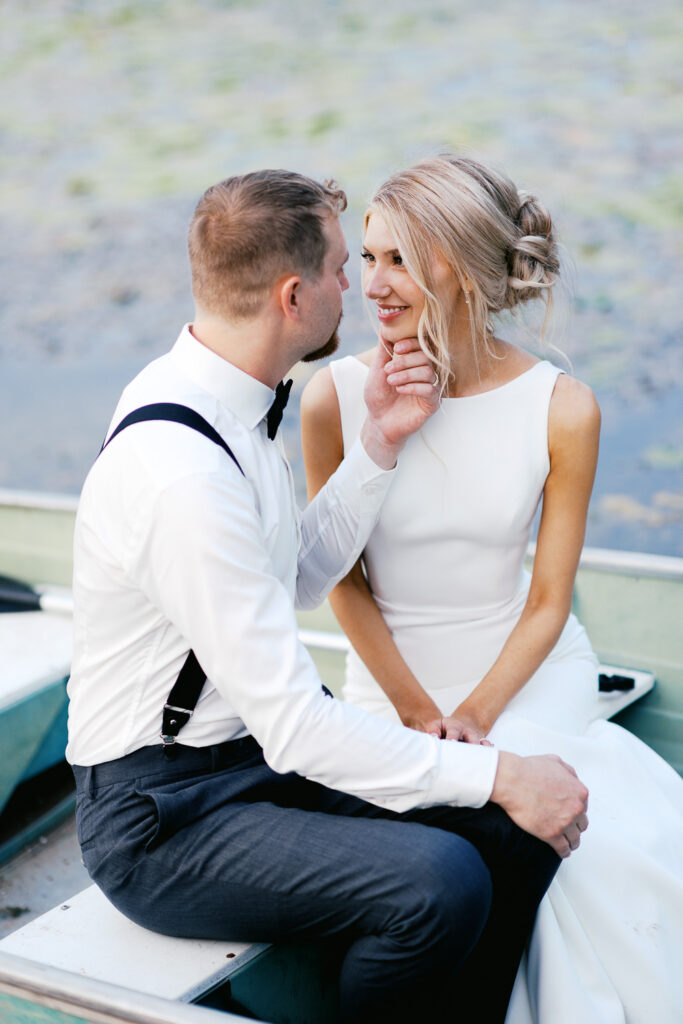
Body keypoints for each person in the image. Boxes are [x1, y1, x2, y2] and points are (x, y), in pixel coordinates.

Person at [66, 169, 590, 1024]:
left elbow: (292, 579)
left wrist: (377, 445)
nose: (360, 287)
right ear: (292, 293)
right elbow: (299, 726)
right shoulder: (181, 473)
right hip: (160, 819)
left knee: (514, 834)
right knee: (437, 882)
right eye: (345, 267)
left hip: (241, 767)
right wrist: (497, 771)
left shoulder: (231, 404)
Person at [301, 154, 683, 1023]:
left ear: (461, 265)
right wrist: (412, 709)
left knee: (570, 848)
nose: (373, 284)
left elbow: (549, 598)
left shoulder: (562, 408)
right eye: (365, 258)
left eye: (398, 259)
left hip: (525, 668)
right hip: (388, 676)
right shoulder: (334, 396)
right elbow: (342, 584)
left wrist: (473, 718)